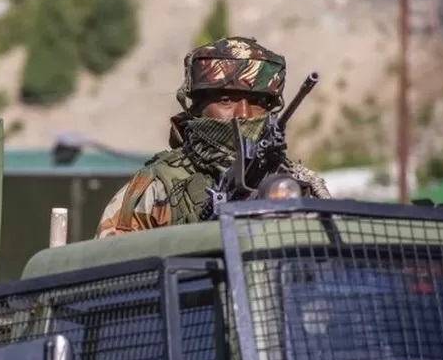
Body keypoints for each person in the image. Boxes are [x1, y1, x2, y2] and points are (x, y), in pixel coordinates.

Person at [94, 36, 330, 238]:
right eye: (226, 100)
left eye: (258, 102)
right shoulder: (157, 188)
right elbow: (112, 272)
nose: (244, 114)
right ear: (197, 107)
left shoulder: (295, 184)